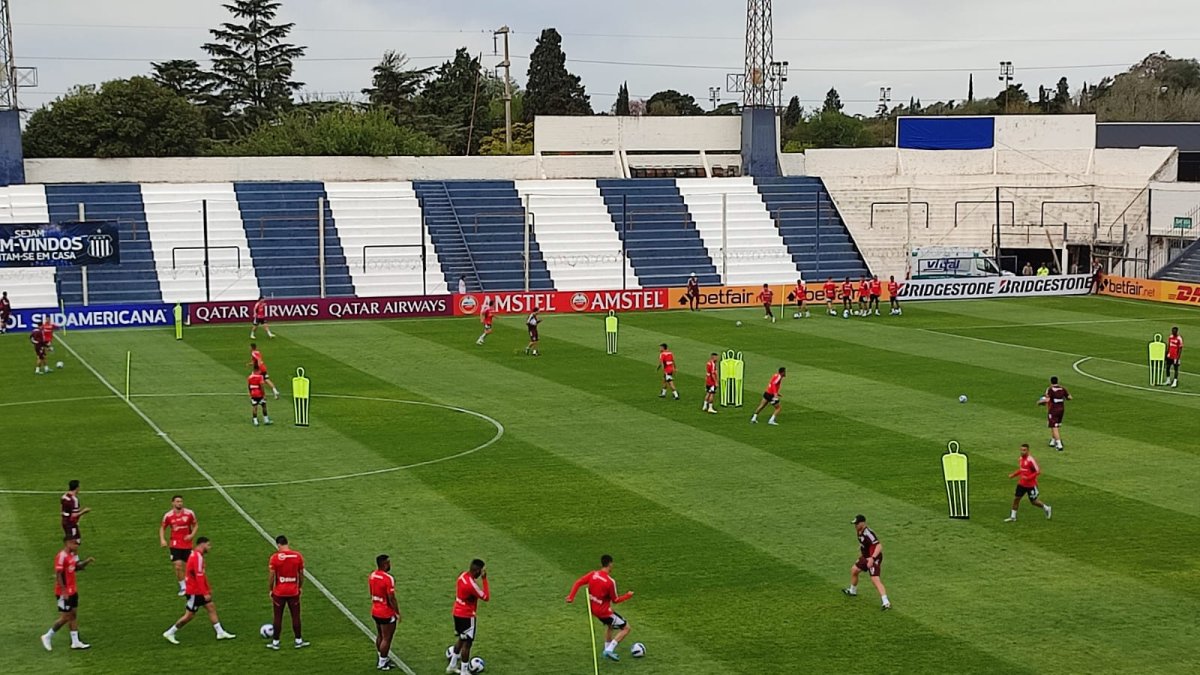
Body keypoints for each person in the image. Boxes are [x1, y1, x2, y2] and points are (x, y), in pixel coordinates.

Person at [163, 537, 235, 643]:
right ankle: (170, 632)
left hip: (197, 589)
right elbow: (199, 576)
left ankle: (220, 632)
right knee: (189, 615)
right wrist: (205, 592)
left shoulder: (196, 555)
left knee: (210, 607)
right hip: (194, 591)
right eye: (208, 545)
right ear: (202, 544)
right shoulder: (197, 557)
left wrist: (207, 588)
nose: (210, 547)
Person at [566, 554, 635, 662]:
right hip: (605, 612)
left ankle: (606, 649)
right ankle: (609, 650)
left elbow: (578, 582)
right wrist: (628, 596)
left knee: (610, 625)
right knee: (626, 628)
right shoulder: (610, 582)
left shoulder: (593, 574)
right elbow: (615, 600)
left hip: (594, 610)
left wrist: (571, 597)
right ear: (610, 564)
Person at [41, 536, 95, 651]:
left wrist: (86, 562)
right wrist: (64, 591)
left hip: (73, 590)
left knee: (73, 615)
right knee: (66, 617)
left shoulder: (71, 555)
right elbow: (59, 574)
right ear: (67, 543)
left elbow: (76, 567)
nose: (76, 545)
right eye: (74, 543)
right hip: (63, 592)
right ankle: (47, 636)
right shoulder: (61, 556)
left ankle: (75, 642)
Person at [447, 559, 490, 675]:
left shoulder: (462, 576)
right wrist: (484, 579)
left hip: (457, 612)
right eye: (480, 571)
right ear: (476, 570)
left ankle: (452, 665)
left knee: (461, 639)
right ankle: (464, 671)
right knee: (467, 644)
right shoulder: (472, 585)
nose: (480, 574)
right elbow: (485, 597)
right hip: (467, 615)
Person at [268, 535, 309, 650]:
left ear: (278, 544)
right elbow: (301, 574)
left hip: (279, 592)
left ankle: (276, 642)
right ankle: (298, 640)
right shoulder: (297, 556)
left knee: (277, 617)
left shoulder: (275, 558)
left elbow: (271, 576)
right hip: (293, 591)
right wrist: (299, 586)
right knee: (295, 616)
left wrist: (271, 589)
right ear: (287, 543)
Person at [842, 515, 890, 610]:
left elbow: (879, 546)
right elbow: (864, 544)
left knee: (875, 579)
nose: (855, 525)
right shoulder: (859, 531)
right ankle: (852, 590)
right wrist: (862, 553)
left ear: (863, 523)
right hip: (866, 557)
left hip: (874, 558)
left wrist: (872, 558)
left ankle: (886, 602)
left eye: (857, 523)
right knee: (854, 570)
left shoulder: (868, 533)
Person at [159, 495, 198, 596]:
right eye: (177, 501)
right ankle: (183, 587)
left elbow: (195, 525)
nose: (179, 503)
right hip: (175, 544)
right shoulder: (168, 516)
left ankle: (194, 584)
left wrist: (191, 535)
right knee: (178, 566)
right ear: (173, 503)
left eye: (181, 501)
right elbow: (162, 528)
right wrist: (162, 539)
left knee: (192, 566)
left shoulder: (189, 513)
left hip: (187, 544)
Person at [370, 554, 402, 671]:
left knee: (380, 635)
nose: (390, 564)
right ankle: (382, 663)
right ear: (384, 564)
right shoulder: (388, 578)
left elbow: (371, 592)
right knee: (387, 638)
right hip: (385, 612)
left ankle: (381, 657)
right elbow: (391, 597)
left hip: (375, 609)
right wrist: (397, 612)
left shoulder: (372, 575)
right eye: (388, 562)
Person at [1005, 444, 1052, 522]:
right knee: (1016, 499)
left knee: (1034, 502)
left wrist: (1028, 478)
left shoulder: (1030, 460)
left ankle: (1046, 508)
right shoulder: (1020, 459)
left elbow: (1037, 471)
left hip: (1031, 485)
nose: (1022, 452)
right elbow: (1021, 469)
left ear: (1028, 451)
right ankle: (1013, 517)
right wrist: (1013, 475)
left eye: (1024, 450)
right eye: (1021, 450)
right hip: (1021, 484)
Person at [1037, 376, 1071, 451]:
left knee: (1054, 426)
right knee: (1056, 425)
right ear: (1057, 381)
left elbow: (1047, 399)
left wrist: (1040, 402)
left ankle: (1059, 444)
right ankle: (1053, 441)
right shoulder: (1062, 388)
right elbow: (1070, 397)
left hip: (1053, 410)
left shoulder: (1050, 389)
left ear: (1051, 382)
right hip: (1061, 409)